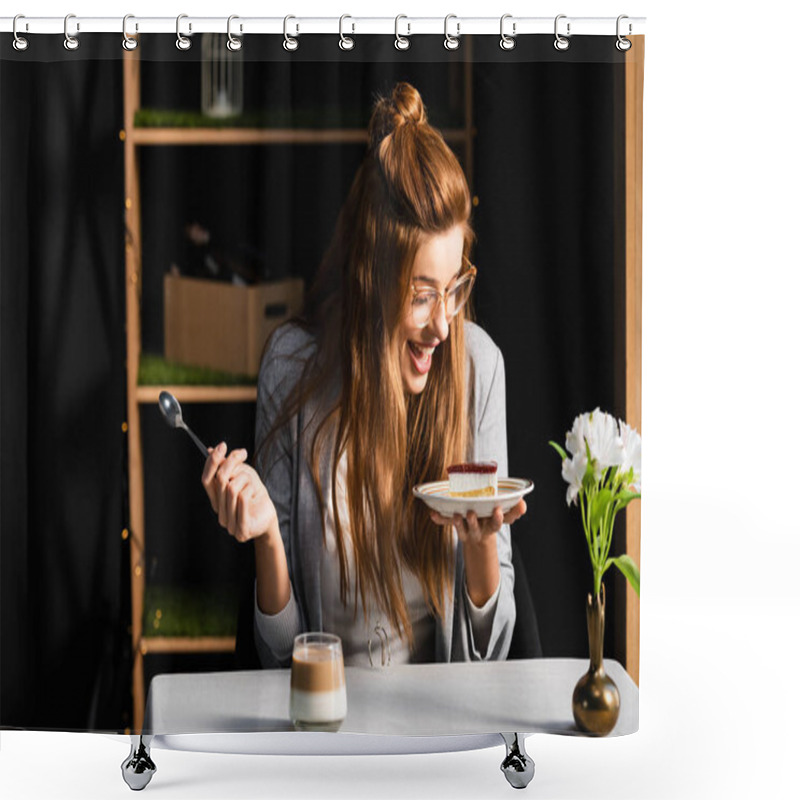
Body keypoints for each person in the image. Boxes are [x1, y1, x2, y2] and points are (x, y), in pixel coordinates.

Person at [202, 82, 527, 668]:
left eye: (453, 289)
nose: (444, 327)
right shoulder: (291, 367)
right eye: (422, 296)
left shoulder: (480, 367)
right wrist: (268, 538)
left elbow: (492, 655)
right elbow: (278, 658)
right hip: (328, 725)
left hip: (438, 731)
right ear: (370, 280)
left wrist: (481, 552)